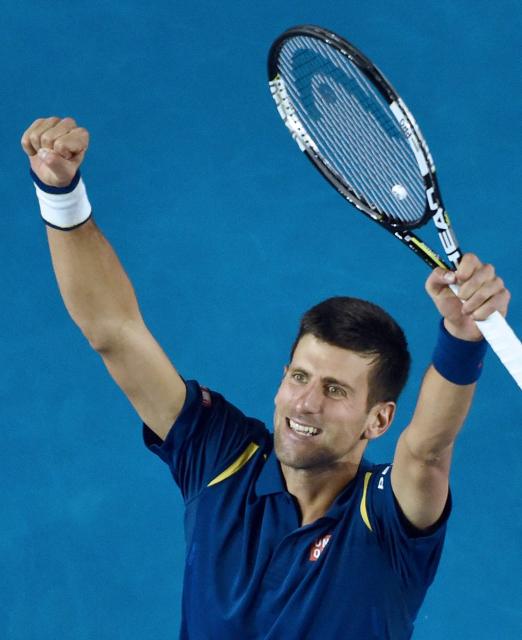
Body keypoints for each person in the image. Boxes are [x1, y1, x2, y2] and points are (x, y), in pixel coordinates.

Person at [21, 117, 511, 640]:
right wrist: (60, 195)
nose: (306, 402)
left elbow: (428, 451)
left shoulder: (387, 516)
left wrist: (462, 339)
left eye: (335, 390)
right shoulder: (220, 457)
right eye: (300, 376)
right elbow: (114, 331)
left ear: (379, 420)